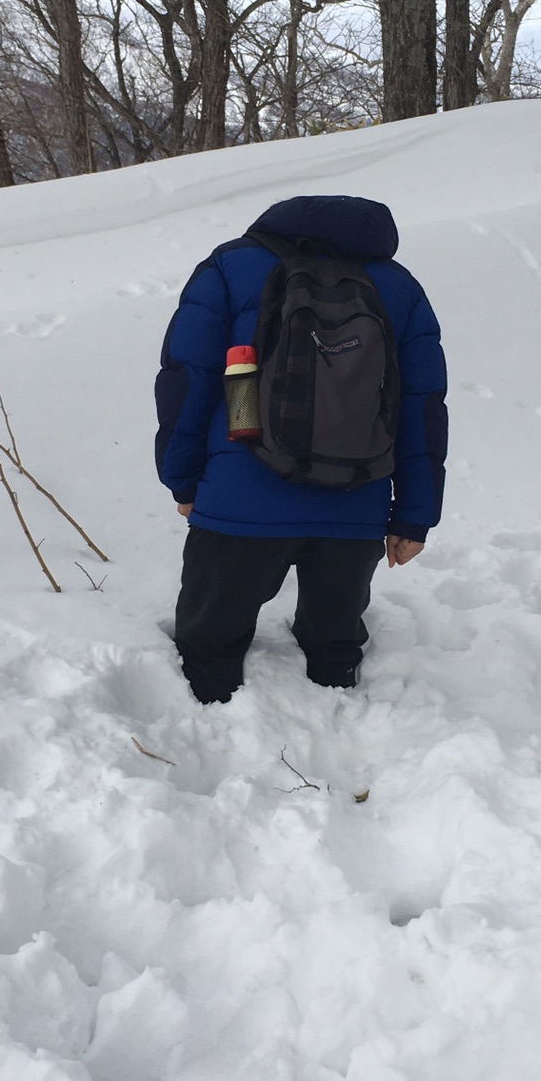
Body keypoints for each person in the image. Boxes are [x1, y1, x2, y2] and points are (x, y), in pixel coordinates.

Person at [154, 194, 447, 704]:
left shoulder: (229, 266)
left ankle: (207, 728)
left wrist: (182, 478)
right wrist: (412, 518)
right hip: (356, 502)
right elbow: (423, 408)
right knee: (334, 645)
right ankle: (344, 733)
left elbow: (189, 380)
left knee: (208, 646)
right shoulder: (399, 287)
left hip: (239, 498)